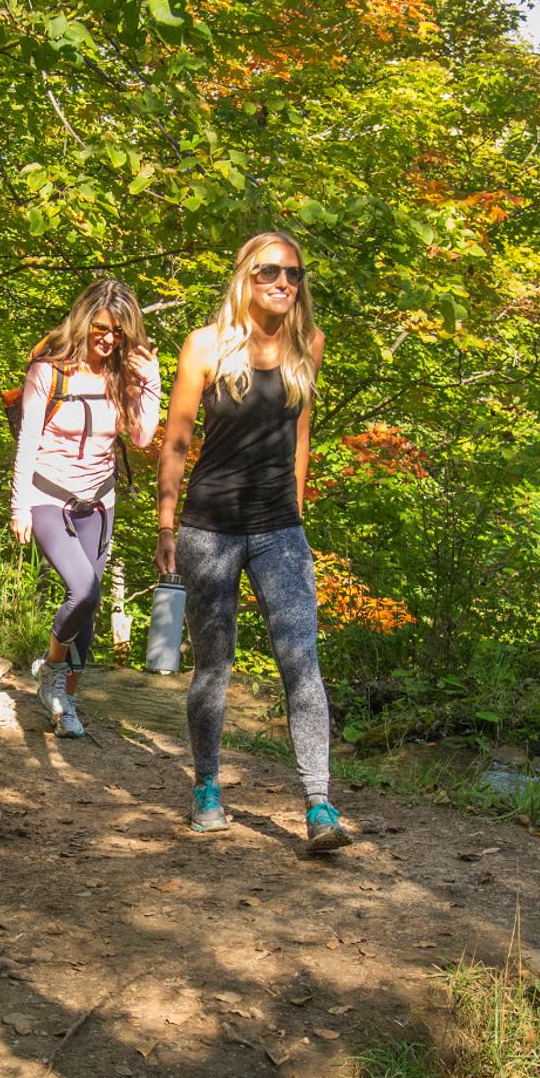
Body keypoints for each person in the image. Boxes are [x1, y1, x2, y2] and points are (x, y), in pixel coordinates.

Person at [155, 232, 349, 854]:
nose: (283, 284)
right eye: (270, 272)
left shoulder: (307, 345)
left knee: (301, 660)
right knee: (215, 665)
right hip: (208, 530)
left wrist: (293, 512)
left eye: (293, 274)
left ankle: (319, 804)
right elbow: (178, 443)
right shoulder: (205, 347)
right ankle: (207, 790)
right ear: (246, 275)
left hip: (279, 531)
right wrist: (166, 525)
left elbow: (299, 437)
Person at [12, 278, 163, 738]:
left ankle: (66, 704)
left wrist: (150, 383)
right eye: (100, 328)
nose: (108, 339)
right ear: (84, 322)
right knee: (85, 589)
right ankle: (51, 671)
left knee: (90, 609)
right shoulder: (48, 372)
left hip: (99, 502)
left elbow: (140, 438)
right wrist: (19, 505)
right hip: (48, 497)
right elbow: (27, 441)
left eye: (117, 332)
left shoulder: (122, 376)